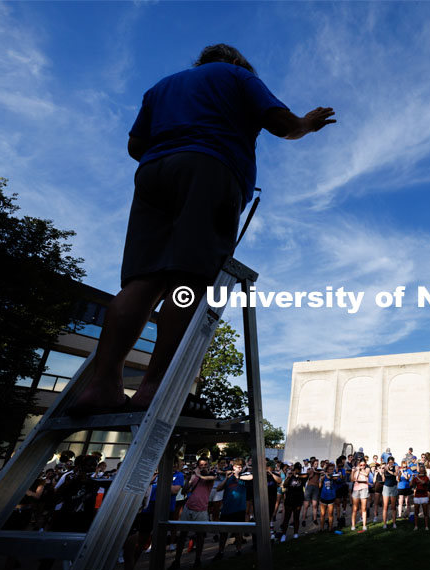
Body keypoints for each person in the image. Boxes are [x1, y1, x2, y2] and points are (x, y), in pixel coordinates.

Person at [68, 43, 335, 416]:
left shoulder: (162, 86)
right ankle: (156, 388)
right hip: (209, 170)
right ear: (237, 61)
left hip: (153, 175)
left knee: (142, 282)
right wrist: (306, 124)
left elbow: (135, 146)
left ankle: (102, 385)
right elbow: (281, 124)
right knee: (188, 280)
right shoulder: (238, 76)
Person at [168, 456, 215, 570]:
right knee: (182, 535)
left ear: (208, 465)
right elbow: (184, 491)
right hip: (189, 507)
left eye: (205, 465)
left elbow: (208, 478)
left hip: (201, 510)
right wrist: (189, 480)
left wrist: (197, 474)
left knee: (200, 536)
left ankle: (197, 559)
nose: (203, 467)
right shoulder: (194, 477)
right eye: (201, 465)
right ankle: (177, 560)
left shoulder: (211, 475)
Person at [214, 459, 251, 559]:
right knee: (223, 532)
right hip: (226, 508)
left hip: (239, 508)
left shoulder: (244, 475)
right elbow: (218, 488)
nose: (239, 468)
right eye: (237, 466)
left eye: (241, 466)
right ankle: (220, 551)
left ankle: (238, 550)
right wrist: (226, 478)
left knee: (238, 532)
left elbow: (251, 477)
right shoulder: (229, 477)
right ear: (233, 467)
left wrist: (238, 475)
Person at [278, 463, 305, 542]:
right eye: (297, 469)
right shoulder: (290, 476)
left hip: (298, 499)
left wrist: (298, 475)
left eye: (299, 469)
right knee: (287, 517)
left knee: (296, 517)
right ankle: (283, 534)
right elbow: (285, 485)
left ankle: (296, 533)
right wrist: (289, 477)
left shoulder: (302, 477)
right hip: (289, 499)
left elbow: (305, 479)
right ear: (294, 469)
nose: (298, 470)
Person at [350, 458, 370, 532]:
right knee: (355, 508)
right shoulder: (355, 470)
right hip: (356, 489)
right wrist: (353, 471)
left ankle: (364, 525)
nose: (362, 466)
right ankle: (353, 525)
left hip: (364, 488)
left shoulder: (366, 469)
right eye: (361, 464)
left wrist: (359, 470)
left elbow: (366, 474)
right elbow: (352, 479)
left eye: (363, 464)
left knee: (363, 508)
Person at [412, 464, 430, 531]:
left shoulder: (426, 477)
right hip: (417, 495)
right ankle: (416, 526)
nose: (421, 472)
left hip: (424, 496)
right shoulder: (416, 477)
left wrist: (418, 478)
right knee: (416, 512)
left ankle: (426, 526)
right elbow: (411, 484)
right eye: (420, 471)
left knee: (425, 512)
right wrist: (412, 478)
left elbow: (423, 483)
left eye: (422, 471)